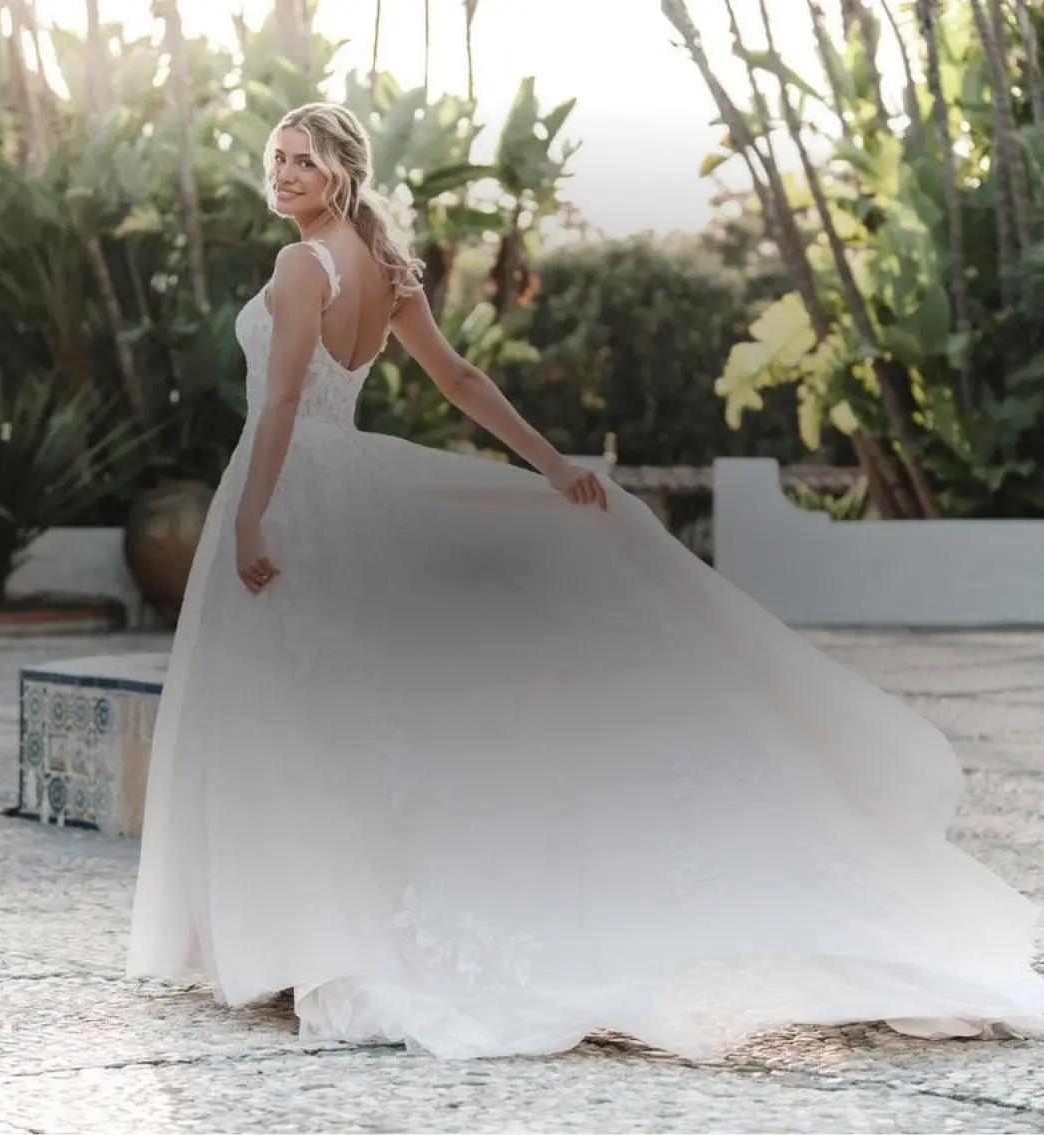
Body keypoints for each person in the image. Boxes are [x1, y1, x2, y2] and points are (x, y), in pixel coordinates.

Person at [126, 101, 1044, 1060]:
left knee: (289, 714)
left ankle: (299, 931)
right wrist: (549, 462)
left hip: (293, 492)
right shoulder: (383, 271)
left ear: (339, 174)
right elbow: (464, 381)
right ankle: (307, 927)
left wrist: (247, 515)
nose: (280, 177)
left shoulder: (299, 265)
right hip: (346, 484)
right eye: (274, 160)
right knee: (332, 716)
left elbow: (280, 398)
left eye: (299, 162)